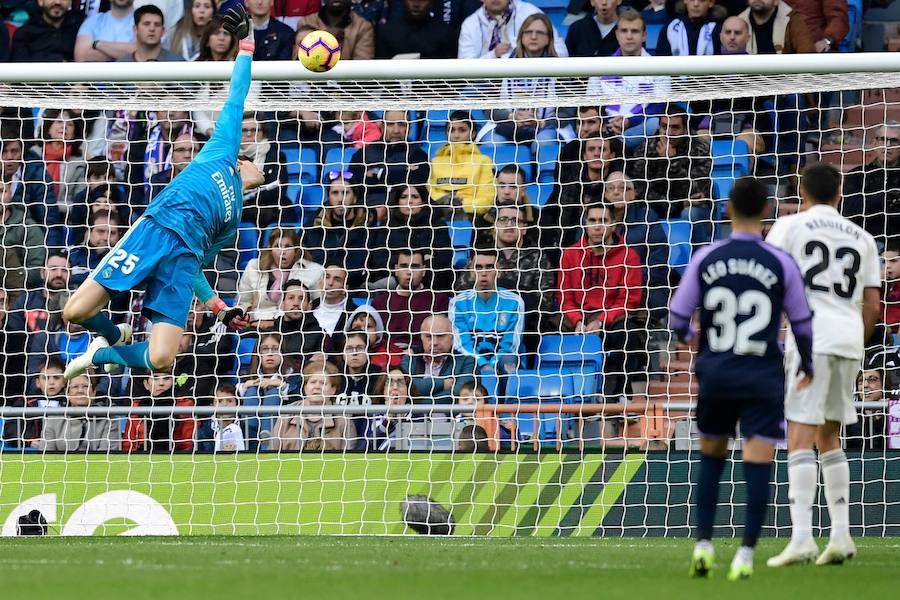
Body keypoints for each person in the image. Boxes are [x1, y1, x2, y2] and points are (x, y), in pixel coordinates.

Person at [61, 5, 264, 380]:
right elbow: (237, 95)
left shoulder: (233, 221)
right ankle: (110, 333)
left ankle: (101, 356)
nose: (260, 165)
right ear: (242, 161)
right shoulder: (220, 152)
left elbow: (198, 268)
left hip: (181, 262)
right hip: (154, 232)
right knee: (74, 313)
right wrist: (246, 44)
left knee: (162, 359)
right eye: (254, 159)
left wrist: (219, 307)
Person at [670, 177, 815, 580]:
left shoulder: (706, 257)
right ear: (767, 212)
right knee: (759, 462)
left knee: (711, 457)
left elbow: (678, 317)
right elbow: (802, 321)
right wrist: (807, 363)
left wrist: (694, 338)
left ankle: (703, 545)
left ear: (728, 210)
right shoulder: (780, 262)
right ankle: (746, 555)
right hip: (761, 375)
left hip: (716, 373)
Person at [765, 162, 881, 567]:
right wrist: (854, 341)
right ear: (840, 193)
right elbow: (873, 305)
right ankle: (842, 536)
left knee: (799, 433)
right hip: (849, 339)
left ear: (802, 192)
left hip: (810, 336)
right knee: (828, 434)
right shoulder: (864, 238)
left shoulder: (789, 227)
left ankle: (801, 538)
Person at [558, 202, 644, 398]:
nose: (597, 226)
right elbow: (564, 297)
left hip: (613, 318)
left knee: (627, 334)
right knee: (546, 332)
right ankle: (564, 396)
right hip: (578, 318)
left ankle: (621, 394)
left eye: (603, 220)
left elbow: (629, 300)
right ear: (585, 224)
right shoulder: (570, 254)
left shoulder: (629, 256)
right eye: (593, 220)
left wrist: (602, 321)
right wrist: (576, 320)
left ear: (614, 225)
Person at [478, 14, 570, 154]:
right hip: (507, 126)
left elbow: (567, 113)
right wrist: (511, 117)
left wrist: (542, 122)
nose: (533, 37)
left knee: (544, 142)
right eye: (528, 32)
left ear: (548, 38)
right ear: (521, 36)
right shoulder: (502, 63)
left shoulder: (561, 68)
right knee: (493, 142)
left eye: (539, 32)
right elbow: (488, 106)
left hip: (546, 127)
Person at [626, 104, 714, 245]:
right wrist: (678, 203)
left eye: (675, 127)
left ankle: (699, 257)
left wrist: (672, 162)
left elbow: (695, 191)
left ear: (685, 129)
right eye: (664, 126)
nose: (668, 132)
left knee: (690, 213)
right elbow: (641, 193)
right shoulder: (645, 150)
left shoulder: (700, 149)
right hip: (658, 207)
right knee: (643, 212)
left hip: (689, 209)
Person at [587, 10, 668, 151]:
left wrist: (629, 122)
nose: (629, 36)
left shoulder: (660, 67)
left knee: (655, 124)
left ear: (644, 35)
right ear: (617, 35)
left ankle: (617, 148)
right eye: (624, 31)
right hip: (607, 128)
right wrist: (608, 123)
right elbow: (592, 104)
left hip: (642, 127)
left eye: (635, 31)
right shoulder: (600, 67)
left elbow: (658, 107)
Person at [603, 172, 670, 324]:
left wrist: (626, 284)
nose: (616, 192)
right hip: (604, 290)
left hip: (643, 289)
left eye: (623, 188)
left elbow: (657, 263)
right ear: (605, 194)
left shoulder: (648, 218)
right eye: (611, 188)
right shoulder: (595, 219)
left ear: (633, 194)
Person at [449, 247, 524, 375]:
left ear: (498, 270)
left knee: (509, 360)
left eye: (489, 267)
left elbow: (510, 345)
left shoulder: (515, 302)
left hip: (502, 366)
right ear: (471, 271)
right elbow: (461, 345)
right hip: (470, 365)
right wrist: (482, 364)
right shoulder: (457, 303)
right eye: (478, 267)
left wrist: (492, 365)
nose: (484, 273)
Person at [371, 248, 451, 354]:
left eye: (414, 266)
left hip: (424, 356)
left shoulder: (438, 300)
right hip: (387, 356)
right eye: (404, 266)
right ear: (396, 269)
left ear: (423, 270)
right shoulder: (380, 302)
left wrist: (416, 351)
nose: (409, 272)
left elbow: (441, 338)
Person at [302, 172, 373, 290]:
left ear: (355, 198)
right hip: (318, 289)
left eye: (345, 193)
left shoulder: (368, 228)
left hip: (357, 289)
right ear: (328, 197)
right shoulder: (313, 227)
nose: (340, 199)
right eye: (335, 193)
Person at [239, 228, 324, 325]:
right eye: (277, 246)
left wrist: (273, 324)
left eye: (288, 246)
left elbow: (319, 306)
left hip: (293, 327)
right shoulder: (254, 267)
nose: (282, 251)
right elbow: (242, 303)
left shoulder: (313, 271)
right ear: (270, 249)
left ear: (296, 250)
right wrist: (247, 317)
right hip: (256, 325)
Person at [349, 111, 431, 207]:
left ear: (409, 128)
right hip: (367, 207)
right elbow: (356, 184)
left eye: (401, 124)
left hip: (402, 210)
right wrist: (402, 172)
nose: (396, 130)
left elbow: (416, 183)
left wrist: (377, 173)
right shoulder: (364, 153)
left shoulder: (418, 155)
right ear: (382, 127)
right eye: (390, 124)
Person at [271, 359, 357, 451]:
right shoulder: (287, 413)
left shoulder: (343, 417)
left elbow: (350, 457)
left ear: (333, 390)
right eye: (313, 382)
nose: (317, 387)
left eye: (323, 383)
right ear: (305, 387)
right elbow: (273, 451)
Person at [1, 128, 63, 249]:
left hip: (27, 244)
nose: (9, 157)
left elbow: (49, 222)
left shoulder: (38, 177)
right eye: (3, 152)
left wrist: (50, 256)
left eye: (14, 151)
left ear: (22, 152)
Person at [841, 122, 900, 247]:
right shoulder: (857, 174)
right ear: (874, 143)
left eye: (894, 141)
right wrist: (889, 197)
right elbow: (850, 209)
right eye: (882, 140)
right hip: (866, 243)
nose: (887, 146)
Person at [428, 111, 496, 218]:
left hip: (471, 217)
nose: (456, 135)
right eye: (451, 130)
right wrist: (447, 202)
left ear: (473, 133)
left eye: (462, 130)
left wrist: (459, 205)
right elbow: (430, 192)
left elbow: (486, 200)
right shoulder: (434, 161)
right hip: (437, 216)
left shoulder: (484, 161)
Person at [239, 332, 298, 449]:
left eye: (275, 349)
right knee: (252, 391)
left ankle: (267, 434)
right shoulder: (245, 375)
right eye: (265, 349)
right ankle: (249, 432)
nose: (270, 354)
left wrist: (281, 385)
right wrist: (245, 386)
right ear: (258, 353)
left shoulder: (293, 376)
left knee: (273, 392)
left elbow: (297, 399)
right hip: (249, 434)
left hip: (280, 429)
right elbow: (231, 397)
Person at [400, 314, 476, 403]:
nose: (434, 342)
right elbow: (404, 388)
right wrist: (441, 383)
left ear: (451, 337)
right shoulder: (410, 359)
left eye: (440, 336)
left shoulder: (467, 362)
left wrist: (418, 405)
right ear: (421, 338)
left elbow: (457, 394)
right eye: (428, 336)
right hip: (412, 416)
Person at [40, 373, 122, 451]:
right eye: (75, 387)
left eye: (85, 386)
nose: (80, 390)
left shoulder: (109, 420)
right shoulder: (53, 419)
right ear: (67, 393)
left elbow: (107, 455)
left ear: (94, 392)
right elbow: (46, 454)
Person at [458, 0, 566, 59]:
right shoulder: (470, 24)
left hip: (528, 78)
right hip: (483, 84)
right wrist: (493, 55)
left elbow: (561, 53)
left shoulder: (531, 12)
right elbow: (465, 68)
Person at [2, 357, 66, 448]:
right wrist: (29, 441)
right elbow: (11, 430)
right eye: (46, 378)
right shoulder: (24, 403)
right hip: (30, 452)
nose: (51, 382)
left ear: (64, 381)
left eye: (56, 378)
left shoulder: (69, 403)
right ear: (37, 382)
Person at [0, 180, 46, 293]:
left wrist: (10, 277)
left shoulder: (28, 228)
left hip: (16, 293)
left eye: (2, 191)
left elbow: (36, 269)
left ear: (10, 192)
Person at [271, 280, 325, 369]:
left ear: (309, 306)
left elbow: (321, 367)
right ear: (282, 303)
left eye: (301, 299)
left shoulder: (320, 335)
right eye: (291, 298)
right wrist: (308, 362)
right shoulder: (271, 333)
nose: (296, 303)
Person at [375, 0, 457, 58]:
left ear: (431, 2)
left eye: (422, 0)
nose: (416, 4)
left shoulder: (445, 34)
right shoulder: (387, 32)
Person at [296, 0, 376, 59]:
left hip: (346, 79)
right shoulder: (306, 22)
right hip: (312, 79)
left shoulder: (363, 26)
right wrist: (327, 38)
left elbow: (362, 64)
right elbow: (299, 58)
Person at [11, 0, 85, 62]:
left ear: (70, 2)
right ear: (40, 1)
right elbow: (18, 69)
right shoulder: (24, 33)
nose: (58, 2)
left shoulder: (82, 29)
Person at [69, 210, 122, 287]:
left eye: (112, 233)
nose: (106, 237)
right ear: (89, 233)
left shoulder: (123, 259)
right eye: (100, 231)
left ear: (119, 236)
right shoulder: (71, 253)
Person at [737, 0, 815, 54]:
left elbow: (807, 56)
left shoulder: (793, 20)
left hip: (786, 75)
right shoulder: (738, 21)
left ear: (776, 1)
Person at [117, 4, 185, 61]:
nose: (152, 29)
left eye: (157, 25)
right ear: (135, 29)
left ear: (163, 31)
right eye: (146, 24)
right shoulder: (122, 64)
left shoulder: (177, 62)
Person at [655, 0, 723, 56]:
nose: (696, 4)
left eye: (702, 0)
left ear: (711, 3)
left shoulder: (720, 29)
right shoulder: (670, 28)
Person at [147, 133, 200, 201]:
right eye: (180, 150)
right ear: (171, 157)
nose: (187, 155)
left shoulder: (210, 181)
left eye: (193, 150)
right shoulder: (156, 181)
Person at [213, 381, 246, 452]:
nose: (224, 404)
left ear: (237, 404)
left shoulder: (248, 431)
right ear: (212, 405)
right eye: (220, 401)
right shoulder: (203, 432)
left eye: (229, 401)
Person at [882, 240, 900, 332]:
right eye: (884, 262)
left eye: (893, 261)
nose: (887, 266)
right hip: (881, 331)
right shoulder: (883, 284)